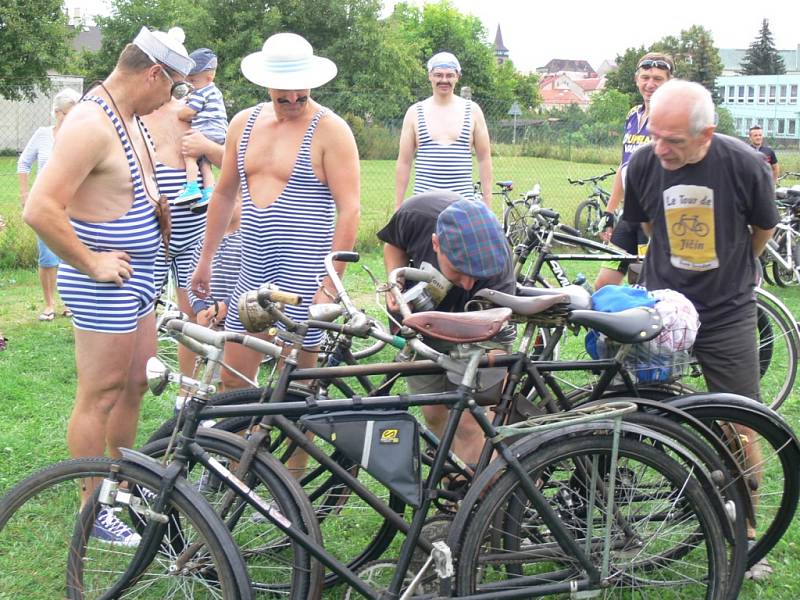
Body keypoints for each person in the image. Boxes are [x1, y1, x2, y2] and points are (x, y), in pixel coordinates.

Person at [23, 26, 194, 545]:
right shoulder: (89, 123)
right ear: (153, 74)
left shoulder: (130, 117)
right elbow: (40, 208)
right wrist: (92, 263)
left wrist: (156, 208)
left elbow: (127, 183)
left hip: (139, 277)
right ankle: (90, 505)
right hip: (106, 284)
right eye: (173, 87)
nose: (173, 98)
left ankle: (119, 485)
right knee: (98, 394)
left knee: (135, 384)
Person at [622, 79, 779, 578]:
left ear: (706, 133)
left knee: (739, 422)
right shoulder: (645, 163)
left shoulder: (744, 164)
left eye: (674, 141)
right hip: (663, 309)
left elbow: (763, 230)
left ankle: (747, 532)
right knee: (640, 408)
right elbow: (646, 227)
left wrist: (734, 273)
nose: (660, 149)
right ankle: (634, 510)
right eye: (654, 136)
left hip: (728, 310)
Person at [191, 32, 360, 392]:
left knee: (297, 390)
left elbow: (349, 210)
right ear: (267, 84)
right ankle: (238, 449)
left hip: (304, 274)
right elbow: (223, 194)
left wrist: (330, 287)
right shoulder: (244, 123)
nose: (294, 100)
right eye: (284, 95)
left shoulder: (331, 130)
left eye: (302, 93)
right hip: (253, 269)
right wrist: (205, 259)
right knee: (232, 384)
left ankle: (296, 448)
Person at [378, 190, 515, 466]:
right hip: (425, 320)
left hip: (481, 325)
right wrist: (396, 283)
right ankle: (457, 478)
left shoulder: (498, 264)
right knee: (432, 410)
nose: (467, 284)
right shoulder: (415, 215)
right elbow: (393, 244)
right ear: (435, 243)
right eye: (459, 271)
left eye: (475, 274)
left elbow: (495, 334)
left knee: (470, 419)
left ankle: (484, 494)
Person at [594, 52, 674, 290]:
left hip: (655, 216)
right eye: (645, 77)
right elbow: (624, 166)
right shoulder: (633, 115)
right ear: (636, 79)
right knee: (604, 284)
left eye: (658, 79)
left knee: (646, 288)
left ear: (669, 81)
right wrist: (609, 213)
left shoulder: (670, 118)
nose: (650, 84)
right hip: (630, 214)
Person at [395, 51, 493, 208]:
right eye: (438, 75)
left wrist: (488, 205)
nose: (444, 80)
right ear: (430, 76)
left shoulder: (472, 111)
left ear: (457, 77)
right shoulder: (415, 112)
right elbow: (404, 162)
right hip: (423, 208)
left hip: (462, 207)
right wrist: (398, 207)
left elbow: (484, 159)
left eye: (449, 75)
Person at [17, 88, 81, 321]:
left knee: (72, 254)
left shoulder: (81, 137)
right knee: (47, 257)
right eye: (67, 113)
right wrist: (25, 195)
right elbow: (23, 164)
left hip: (73, 206)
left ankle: (70, 303)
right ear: (57, 112)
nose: (72, 118)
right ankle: (49, 304)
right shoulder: (43, 134)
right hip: (45, 205)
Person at [174, 47, 228, 210]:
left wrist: (181, 110)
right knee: (205, 162)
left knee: (190, 155)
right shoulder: (215, 91)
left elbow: (187, 113)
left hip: (207, 130)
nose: (190, 84)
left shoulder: (201, 92)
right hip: (219, 132)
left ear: (209, 77)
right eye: (188, 80)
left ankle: (191, 187)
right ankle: (209, 190)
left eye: (193, 80)